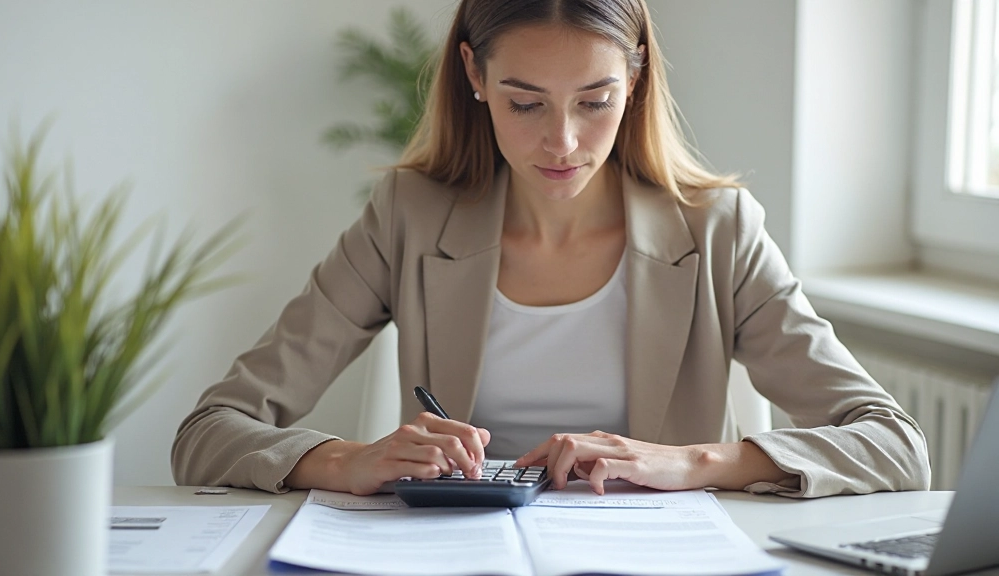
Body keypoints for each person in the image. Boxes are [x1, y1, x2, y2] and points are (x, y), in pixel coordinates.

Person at [172, 0, 930, 499]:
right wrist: (346, 459)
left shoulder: (717, 230)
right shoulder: (407, 216)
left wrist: (691, 462)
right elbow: (209, 433)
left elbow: (896, 444)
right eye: (525, 102)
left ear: (634, 77)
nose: (562, 142)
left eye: (594, 102)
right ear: (474, 73)